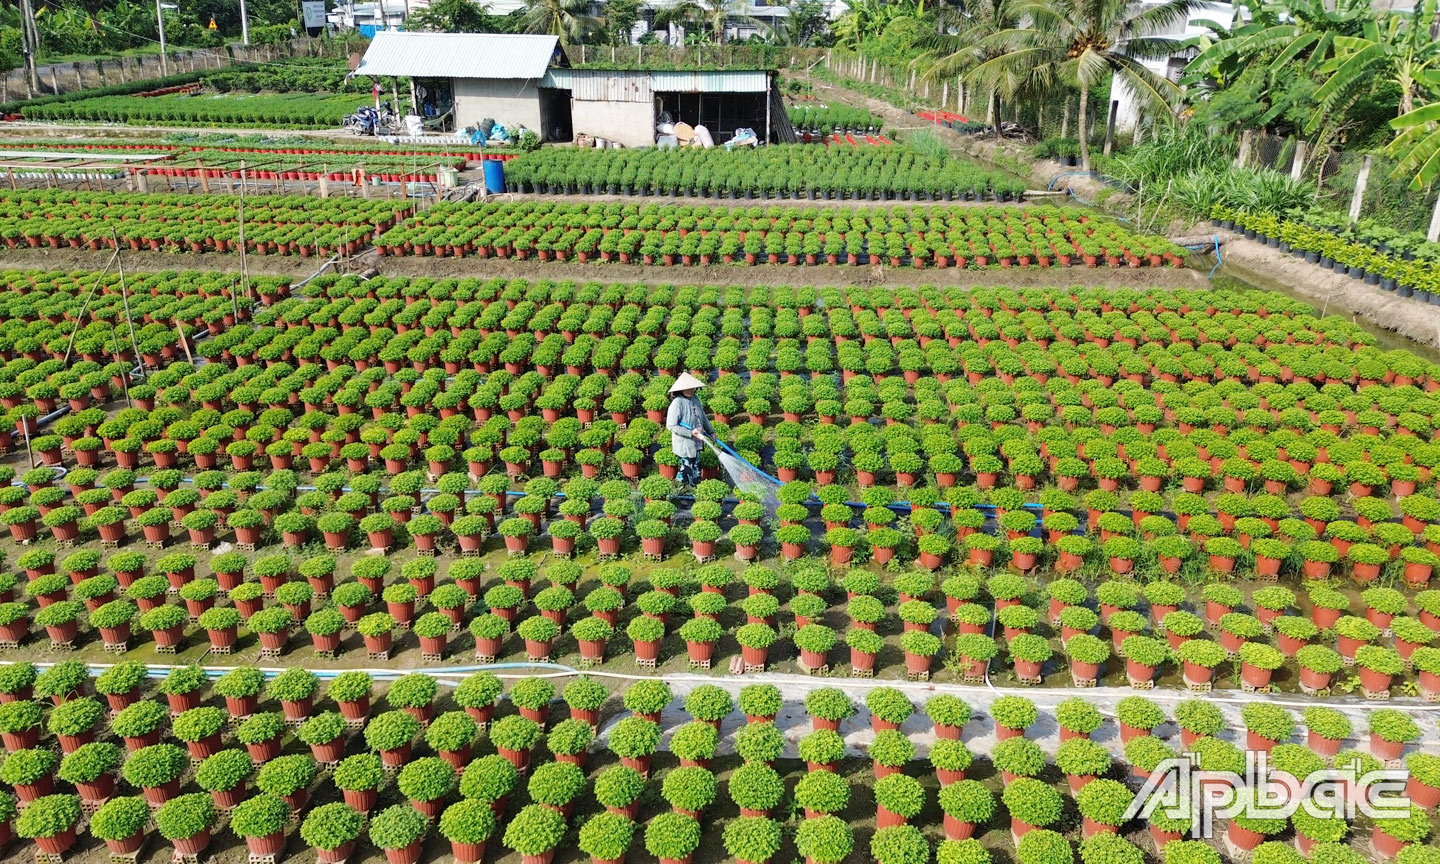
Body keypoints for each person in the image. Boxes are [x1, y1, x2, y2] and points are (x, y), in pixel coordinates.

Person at [666, 373, 714, 487]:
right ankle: (681, 486)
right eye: (687, 388)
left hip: (697, 440)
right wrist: (690, 433)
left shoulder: (695, 399)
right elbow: (671, 425)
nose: (690, 390)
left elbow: (702, 416)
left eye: (692, 387)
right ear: (681, 389)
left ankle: (694, 483)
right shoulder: (677, 403)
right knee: (687, 465)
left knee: (696, 463)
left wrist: (711, 431)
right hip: (685, 442)